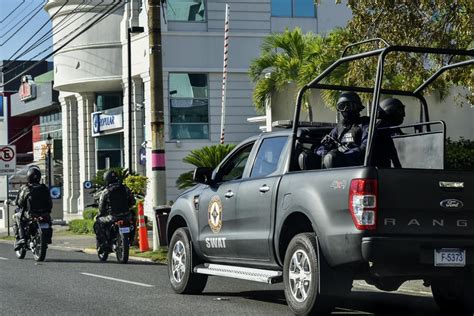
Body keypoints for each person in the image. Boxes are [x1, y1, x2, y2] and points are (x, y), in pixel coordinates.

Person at [315, 91, 369, 168]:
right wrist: (325, 153)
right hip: (337, 164)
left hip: (356, 165)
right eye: (342, 106)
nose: (346, 109)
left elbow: (365, 148)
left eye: (350, 106)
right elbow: (324, 145)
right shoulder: (339, 127)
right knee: (307, 157)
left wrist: (345, 154)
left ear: (358, 108)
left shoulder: (364, 124)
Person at [93, 170, 135, 251]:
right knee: (133, 219)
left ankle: (104, 245)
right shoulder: (125, 188)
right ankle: (132, 239)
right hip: (127, 216)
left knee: (98, 222)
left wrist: (100, 214)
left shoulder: (106, 191)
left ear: (106, 179)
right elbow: (133, 201)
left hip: (113, 217)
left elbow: (101, 207)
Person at [13, 166, 52, 250]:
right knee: (49, 222)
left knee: (17, 216)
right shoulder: (44, 188)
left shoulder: (26, 188)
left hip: (30, 215)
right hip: (45, 214)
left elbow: (19, 203)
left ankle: (22, 238)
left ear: (28, 177)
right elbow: (50, 202)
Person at [372, 97, 406, 168]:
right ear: (390, 111)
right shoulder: (383, 127)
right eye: (399, 111)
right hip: (385, 168)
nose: (403, 115)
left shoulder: (392, 126)